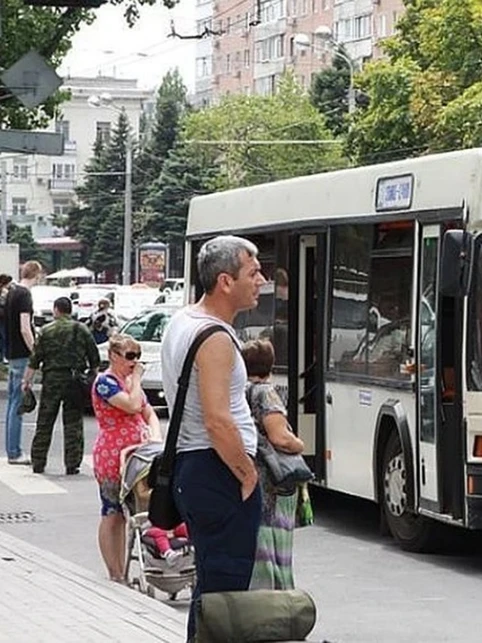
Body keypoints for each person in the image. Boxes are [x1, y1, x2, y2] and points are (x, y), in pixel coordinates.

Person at [160, 235, 265, 640]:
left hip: (197, 468)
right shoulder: (216, 338)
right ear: (225, 280)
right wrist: (247, 474)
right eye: (253, 273)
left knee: (211, 592)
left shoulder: (183, 321)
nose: (262, 280)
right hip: (216, 469)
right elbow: (219, 421)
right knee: (225, 594)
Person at [91, 333, 162, 581]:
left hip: (140, 456)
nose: (135, 362)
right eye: (130, 356)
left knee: (129, 515)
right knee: (112, 513)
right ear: (113, 356)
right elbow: (132, 405)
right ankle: (115, 572)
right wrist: (138, 379)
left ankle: (122, 570)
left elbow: (148, 412)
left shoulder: (131, 382)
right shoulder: (105, 382)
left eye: (138, 356)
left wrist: (154, 437)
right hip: (113, 455)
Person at [242, 339, 305, 591]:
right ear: (270, 365)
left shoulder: (238, 391)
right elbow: (279, 437)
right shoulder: (266, 392)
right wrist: (299, 445)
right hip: (271, 480)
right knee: (273, 540)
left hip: (247, 471)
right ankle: (275, 594)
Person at [23, 297, 100, 475]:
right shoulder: (81, 329)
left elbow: (35, 360)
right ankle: (72, 464)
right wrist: (92, 377)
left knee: (44, 422)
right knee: (73, 423)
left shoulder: (45, 331)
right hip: (74, 380)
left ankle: (38, 462)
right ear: (70, 310)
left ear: (56, 310)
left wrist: (26, 381)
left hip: (52, 380)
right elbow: (93, 357)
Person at [4, 260, 42, 465]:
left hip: (11, 353)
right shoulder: (25, 295)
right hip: (22, 354)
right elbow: (25, 328)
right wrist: (36, 351)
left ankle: (11, 449)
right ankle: (15, 452)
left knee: (12, 403)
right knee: (19, 404)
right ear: (36, 274)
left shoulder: (11, 292)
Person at [0, 273, 13, 362]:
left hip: (2, 317)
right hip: (3, 318)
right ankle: (4, 356)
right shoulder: (5, 292)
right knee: (4, 336)